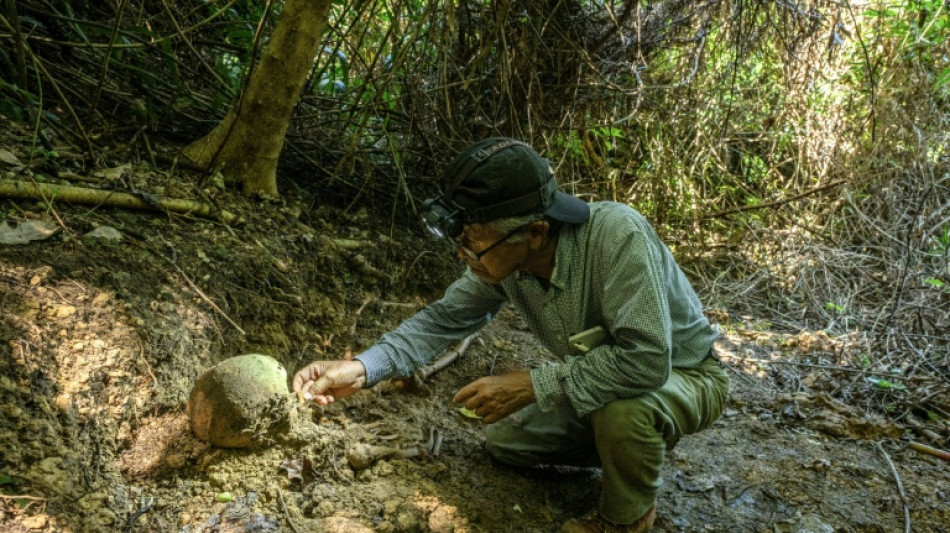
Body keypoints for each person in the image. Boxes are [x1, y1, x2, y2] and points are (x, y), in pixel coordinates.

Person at [293, 137, 729, 533]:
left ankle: (624, 517)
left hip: (685, 375)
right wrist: (362, 367)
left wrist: (532, 384)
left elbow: (647, 361)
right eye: (457, 241)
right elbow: (442, 320)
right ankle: (634, 449)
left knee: (625, 410)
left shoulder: (617, 236)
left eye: (472, 243)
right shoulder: (507, 261)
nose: (464, 255)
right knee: (506, 441)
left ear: (535, 232)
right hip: (612, 381)